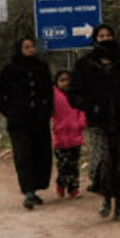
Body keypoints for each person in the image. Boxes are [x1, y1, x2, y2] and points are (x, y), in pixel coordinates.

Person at [66, 24, 120, 223]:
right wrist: (91, 106)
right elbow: (73, 93)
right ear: (95, 39)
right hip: (97, 123)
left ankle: (119, 206)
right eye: (101, 36)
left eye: (109, 35)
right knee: (102, 162)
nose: (106, 38)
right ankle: (105, 200)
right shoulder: (85, 64)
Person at [0, 36, 54, 210]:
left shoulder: (42, 67)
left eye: (32, 46)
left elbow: (49, 92)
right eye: (26, 47)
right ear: (19, 49)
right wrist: (10, 111)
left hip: (39, 120)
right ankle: (28, 191)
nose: (30, 50)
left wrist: (47, 111)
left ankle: (36, 189)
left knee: (40, 155)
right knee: (23, 155)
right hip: (19, 122)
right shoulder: (10, 69)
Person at [52, 69, 87, 199]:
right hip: (60, 137)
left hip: (75, 135)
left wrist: (80, 123)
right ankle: (61, 184)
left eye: (68, 80)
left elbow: (81, 111)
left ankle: (74, 189)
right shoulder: (53, 96)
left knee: (73, 164)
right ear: (56, 82)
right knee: (63, 164)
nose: (65, 83)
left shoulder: (76, 95)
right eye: (62, 80)